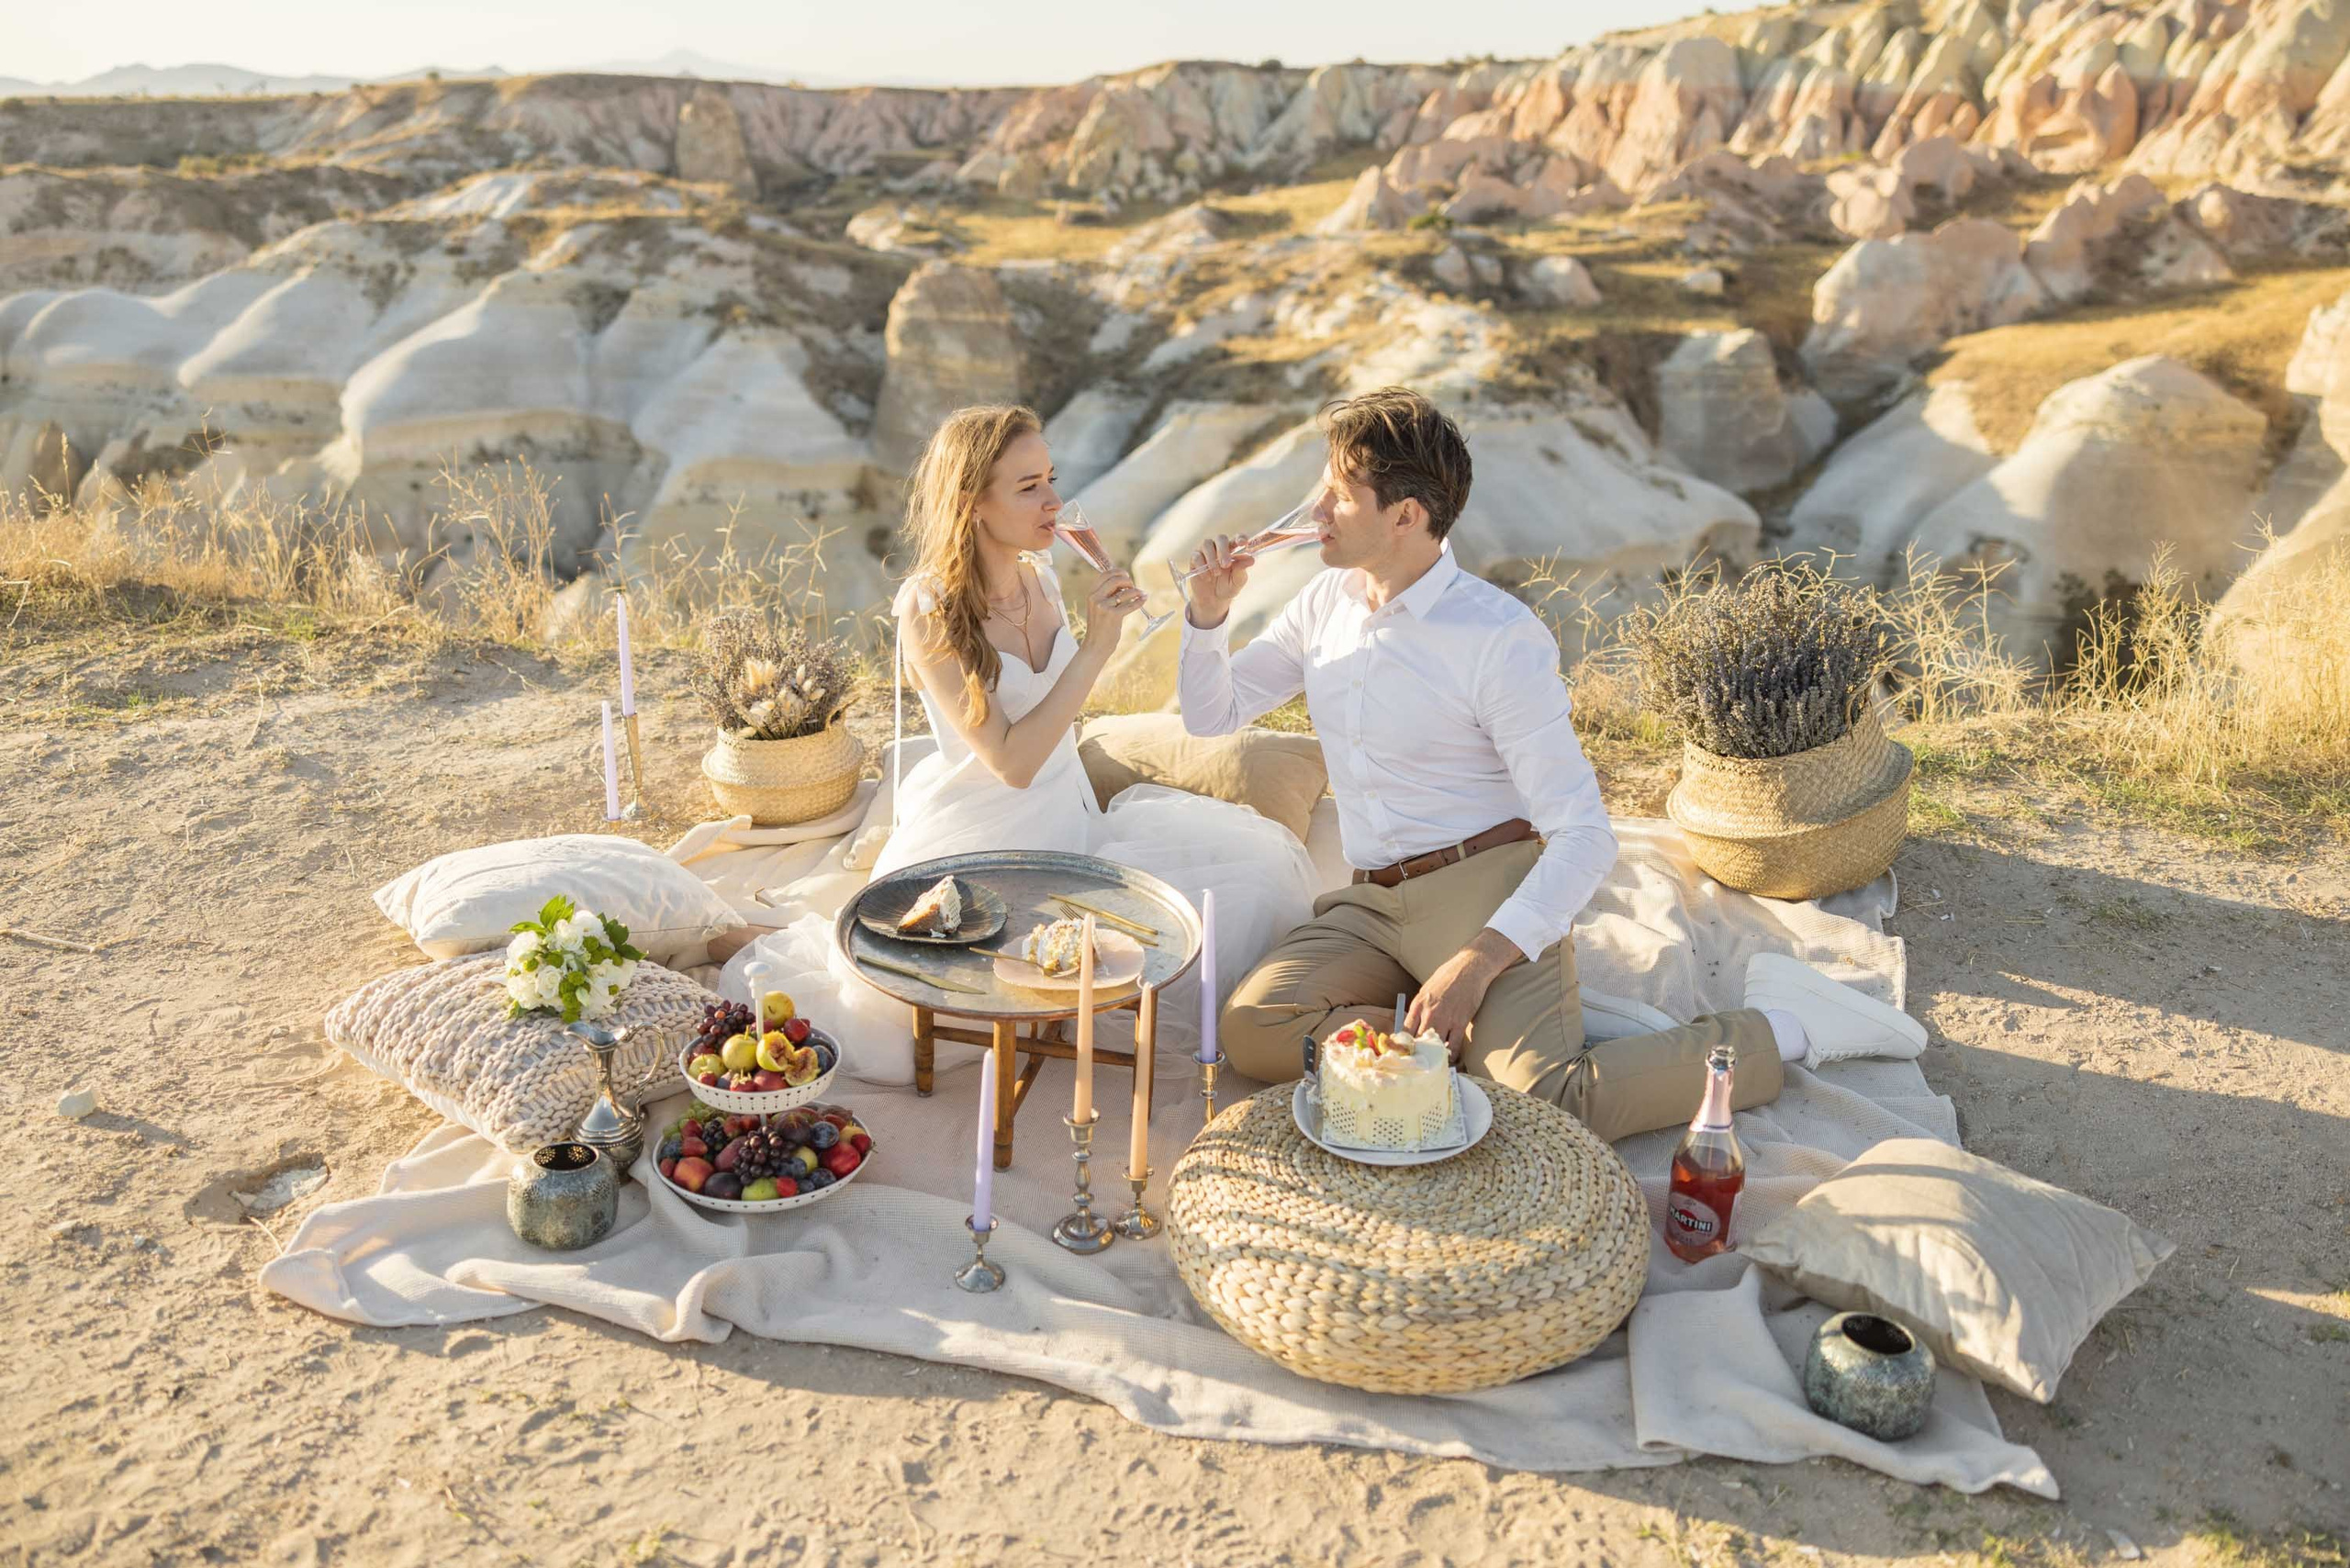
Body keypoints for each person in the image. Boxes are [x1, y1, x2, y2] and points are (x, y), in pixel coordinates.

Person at [1177, 388, 1924, 1141]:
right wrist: (1209, 616)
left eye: (1340, 496)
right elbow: (1213, 714)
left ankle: (1784, 1025)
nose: (1316, 513)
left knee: (1542, 1103)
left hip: (1482, 888)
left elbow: (1584, 834)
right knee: (1251, 1030)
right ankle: (1484, 1027)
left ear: (1406, 516)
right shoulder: (1321, 604)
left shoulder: (1498, 637)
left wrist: (1475, 964)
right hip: (1370, 904)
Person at [845, 403, 1316, 1070]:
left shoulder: (1039, 578)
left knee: (1257, 883)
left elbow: (1058, 717)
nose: (1055, 502)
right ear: (974, 502)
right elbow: (1013, 763)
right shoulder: (929, 612)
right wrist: (1096, 648)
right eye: (1029, 486)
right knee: (912, 1022)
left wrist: (1191, 613)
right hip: (992, 842)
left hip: (1076, 820)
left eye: (1052, 478)